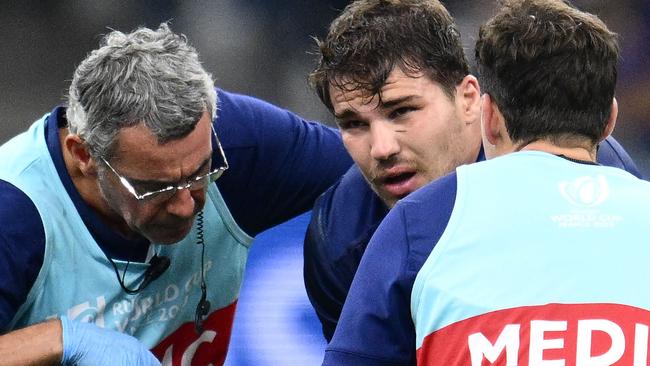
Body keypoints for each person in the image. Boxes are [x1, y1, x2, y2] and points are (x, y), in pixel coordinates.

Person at [0, 24, 352, 365]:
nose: (186, 206)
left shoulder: (234, 141)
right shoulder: (14, 211)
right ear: (84, 155)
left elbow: (379, 171)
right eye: (154, 187)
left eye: (201, 173)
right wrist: (60, 340)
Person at [323, 0, 650, 364]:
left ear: (486, 113)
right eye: (354, 124)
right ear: (609, 122)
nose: (383, 148)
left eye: (402, 111)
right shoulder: (635, 199)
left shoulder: (412, 223)